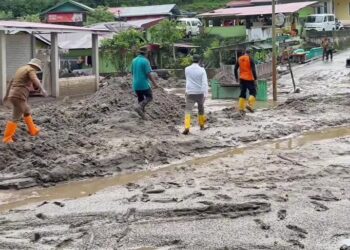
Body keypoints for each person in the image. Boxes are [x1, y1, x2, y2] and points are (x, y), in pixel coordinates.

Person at [2, 58, 48, 144]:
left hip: (14, 94)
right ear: (35, 67)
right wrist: (42, 89)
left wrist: (6, 96)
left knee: (27, 110)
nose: (36, 71)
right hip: (19, 95)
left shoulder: (20, 69)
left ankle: (33, 130)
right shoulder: (30, 69)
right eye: (37, 69)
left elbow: (10, 82)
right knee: (15, 117)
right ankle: (7, 138)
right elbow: (35, 79)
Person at [182, 54, 208, 135]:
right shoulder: (202, 70)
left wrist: (186, 91)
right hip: (200, 93)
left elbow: (188, 81)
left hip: (190, 92)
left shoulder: (187, 69)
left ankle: (187, 127)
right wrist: (205, 94)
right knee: (201, 109)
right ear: (199, 60)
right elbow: (204, 83)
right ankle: (202, 125)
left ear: (192, 59)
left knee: (188, 110)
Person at [131, 47, 159, 119]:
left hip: (135, 84)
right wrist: (155, 83)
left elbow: (132, 72)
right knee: (149, 97)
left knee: (140, 99)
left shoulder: (134, 60)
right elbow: (148, 74)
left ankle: (143, 116)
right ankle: (139, 106)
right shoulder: (145, 61)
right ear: (146, 53)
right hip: (143, 84)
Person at [234, 49, 258, 117]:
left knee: (242, 93)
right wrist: (255, 79)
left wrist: (236, 78)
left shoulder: (239, 59)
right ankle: (249, 105)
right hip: (249, 78)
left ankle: (241, 108)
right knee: (253, 92)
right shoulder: (250, 59)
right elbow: (253, 70)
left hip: (241, 79)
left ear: (245, 53)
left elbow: (235, 69)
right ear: (249, 53)